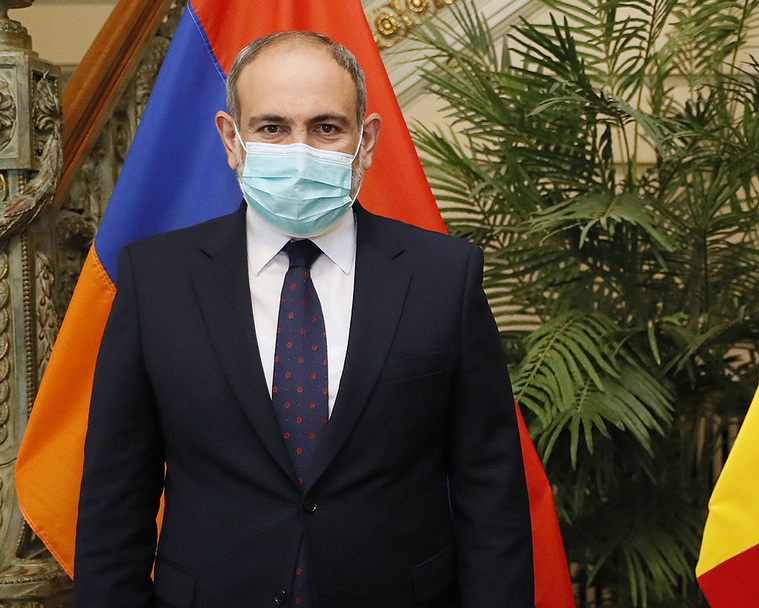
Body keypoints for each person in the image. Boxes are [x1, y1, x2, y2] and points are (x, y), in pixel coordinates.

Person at [74, 30, 535, 608]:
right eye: (272, 128)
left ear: (366, 140)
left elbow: (491, 491)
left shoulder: (444, 276)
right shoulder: (155, 279)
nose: (300, 151)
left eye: (326, 127)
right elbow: (115, 498)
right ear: (231, 139)